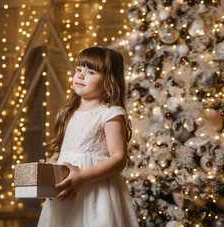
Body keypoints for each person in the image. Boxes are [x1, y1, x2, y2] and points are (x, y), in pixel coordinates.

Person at [38, 46, 139, 227]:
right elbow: (60, 151)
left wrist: (83, 177)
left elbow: (118, 158)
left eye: (91, 72)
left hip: (95, 192)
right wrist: (51, 169)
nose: (80, 76)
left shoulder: (110, 114)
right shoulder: (65, 113)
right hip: (67, 190)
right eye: (79, 69)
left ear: (109, 81)